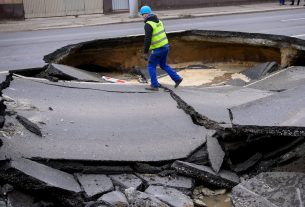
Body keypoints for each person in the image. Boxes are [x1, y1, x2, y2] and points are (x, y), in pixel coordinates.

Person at [139, 5, 183, 91]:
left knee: (151, 65)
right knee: (163, 65)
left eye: (142, 15)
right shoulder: (159, 21)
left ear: (146, 14)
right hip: (165, 46)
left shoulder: (148, 25)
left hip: (158, 49)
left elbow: (147, 39)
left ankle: (154, 85)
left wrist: (145, 52)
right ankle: (177, 79)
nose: (142, 17)